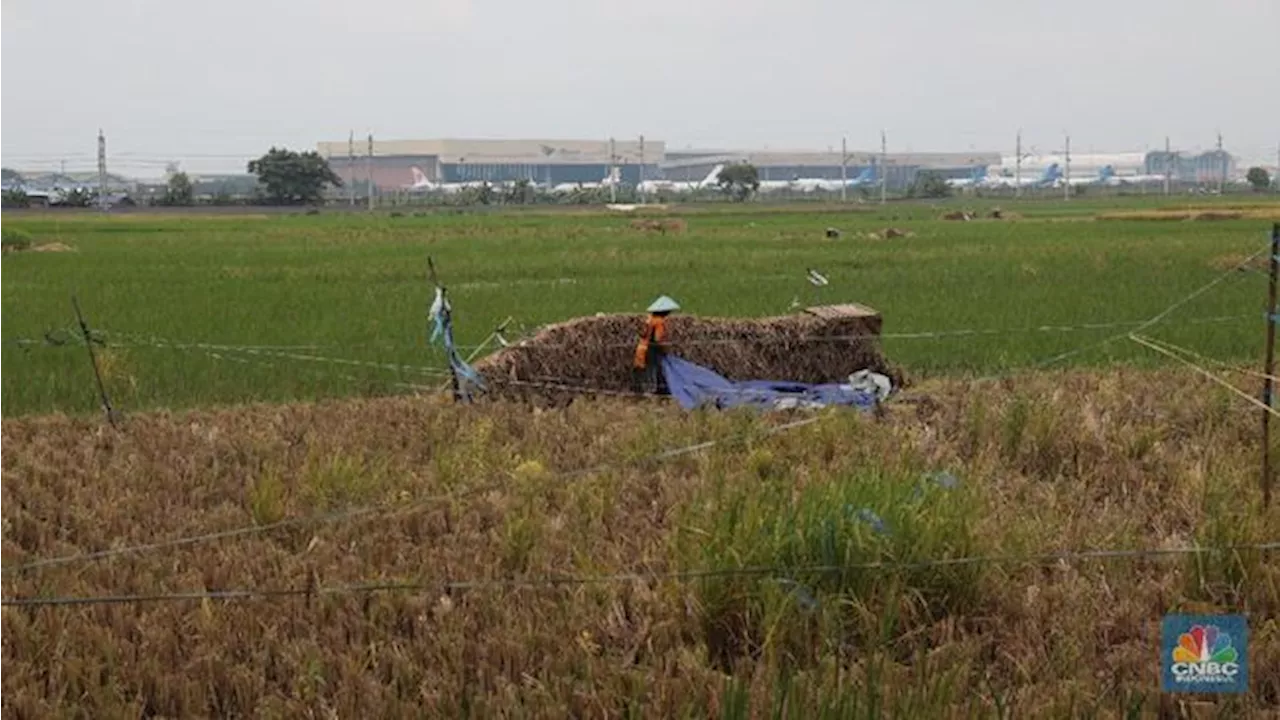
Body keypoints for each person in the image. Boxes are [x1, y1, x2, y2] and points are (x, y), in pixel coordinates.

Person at [633, 295, 679, 394]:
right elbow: (658, 339)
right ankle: (652, 393)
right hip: (651, 349)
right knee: (653, 371)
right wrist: (664, 349)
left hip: (642, 348)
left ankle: (645, 392)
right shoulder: (659, 322)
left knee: (645, 371)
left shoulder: (649, 319)